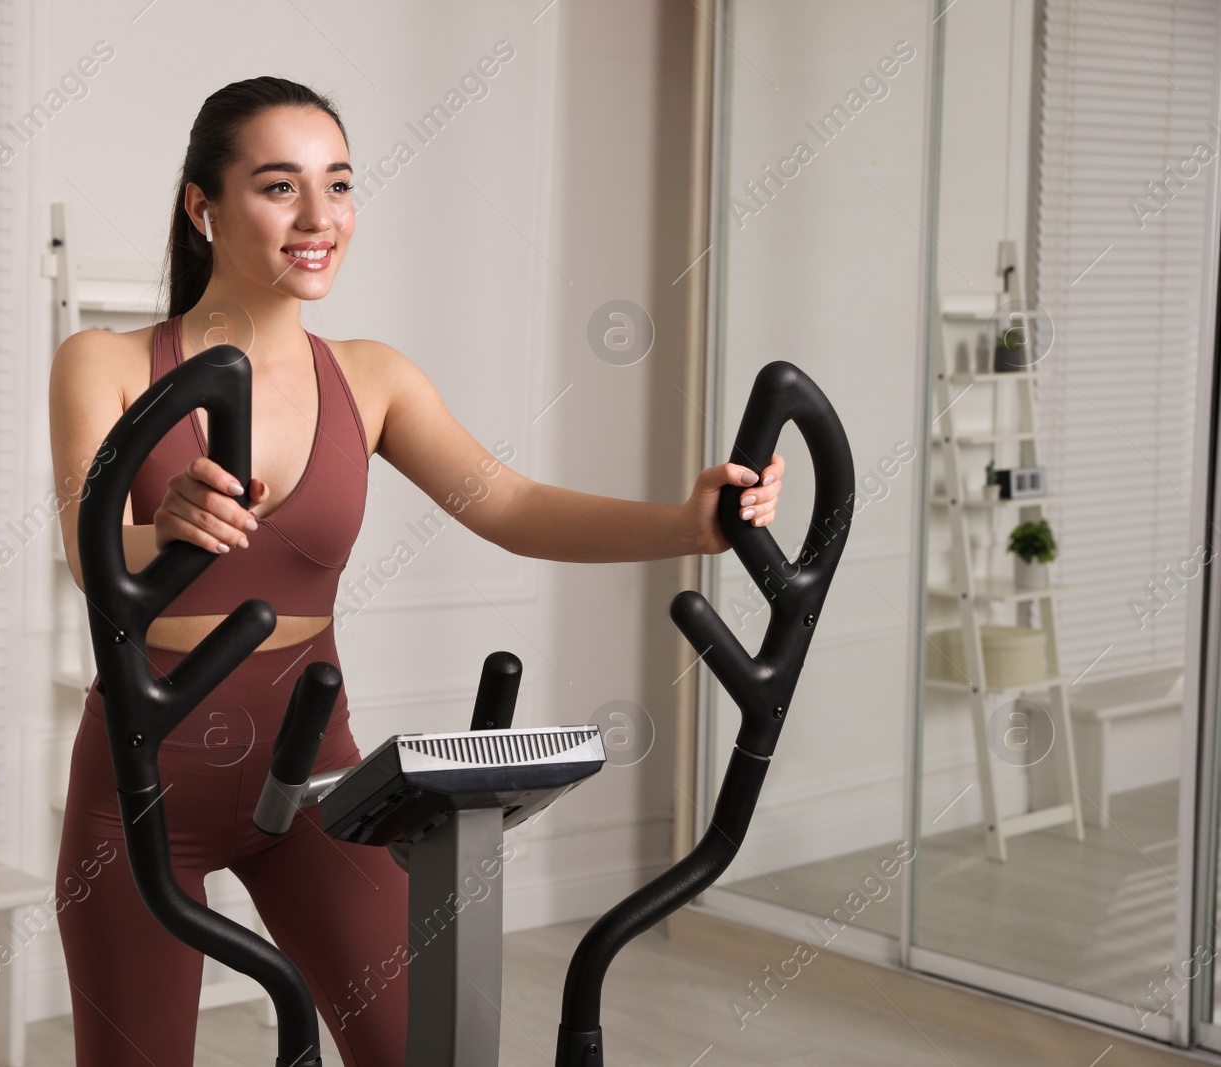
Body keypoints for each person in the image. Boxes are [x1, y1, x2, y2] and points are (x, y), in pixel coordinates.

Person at [47, 75, 784, 1067]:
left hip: (311, 772)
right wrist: (166, 529)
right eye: (278, 187)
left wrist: (689, 526)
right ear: (201, 205)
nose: (320, 218)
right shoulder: (105, 362)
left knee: (419, 1048)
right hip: (142, 781)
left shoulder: (372, 375)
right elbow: (91, 560)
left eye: (339, 184)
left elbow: (512, 507)